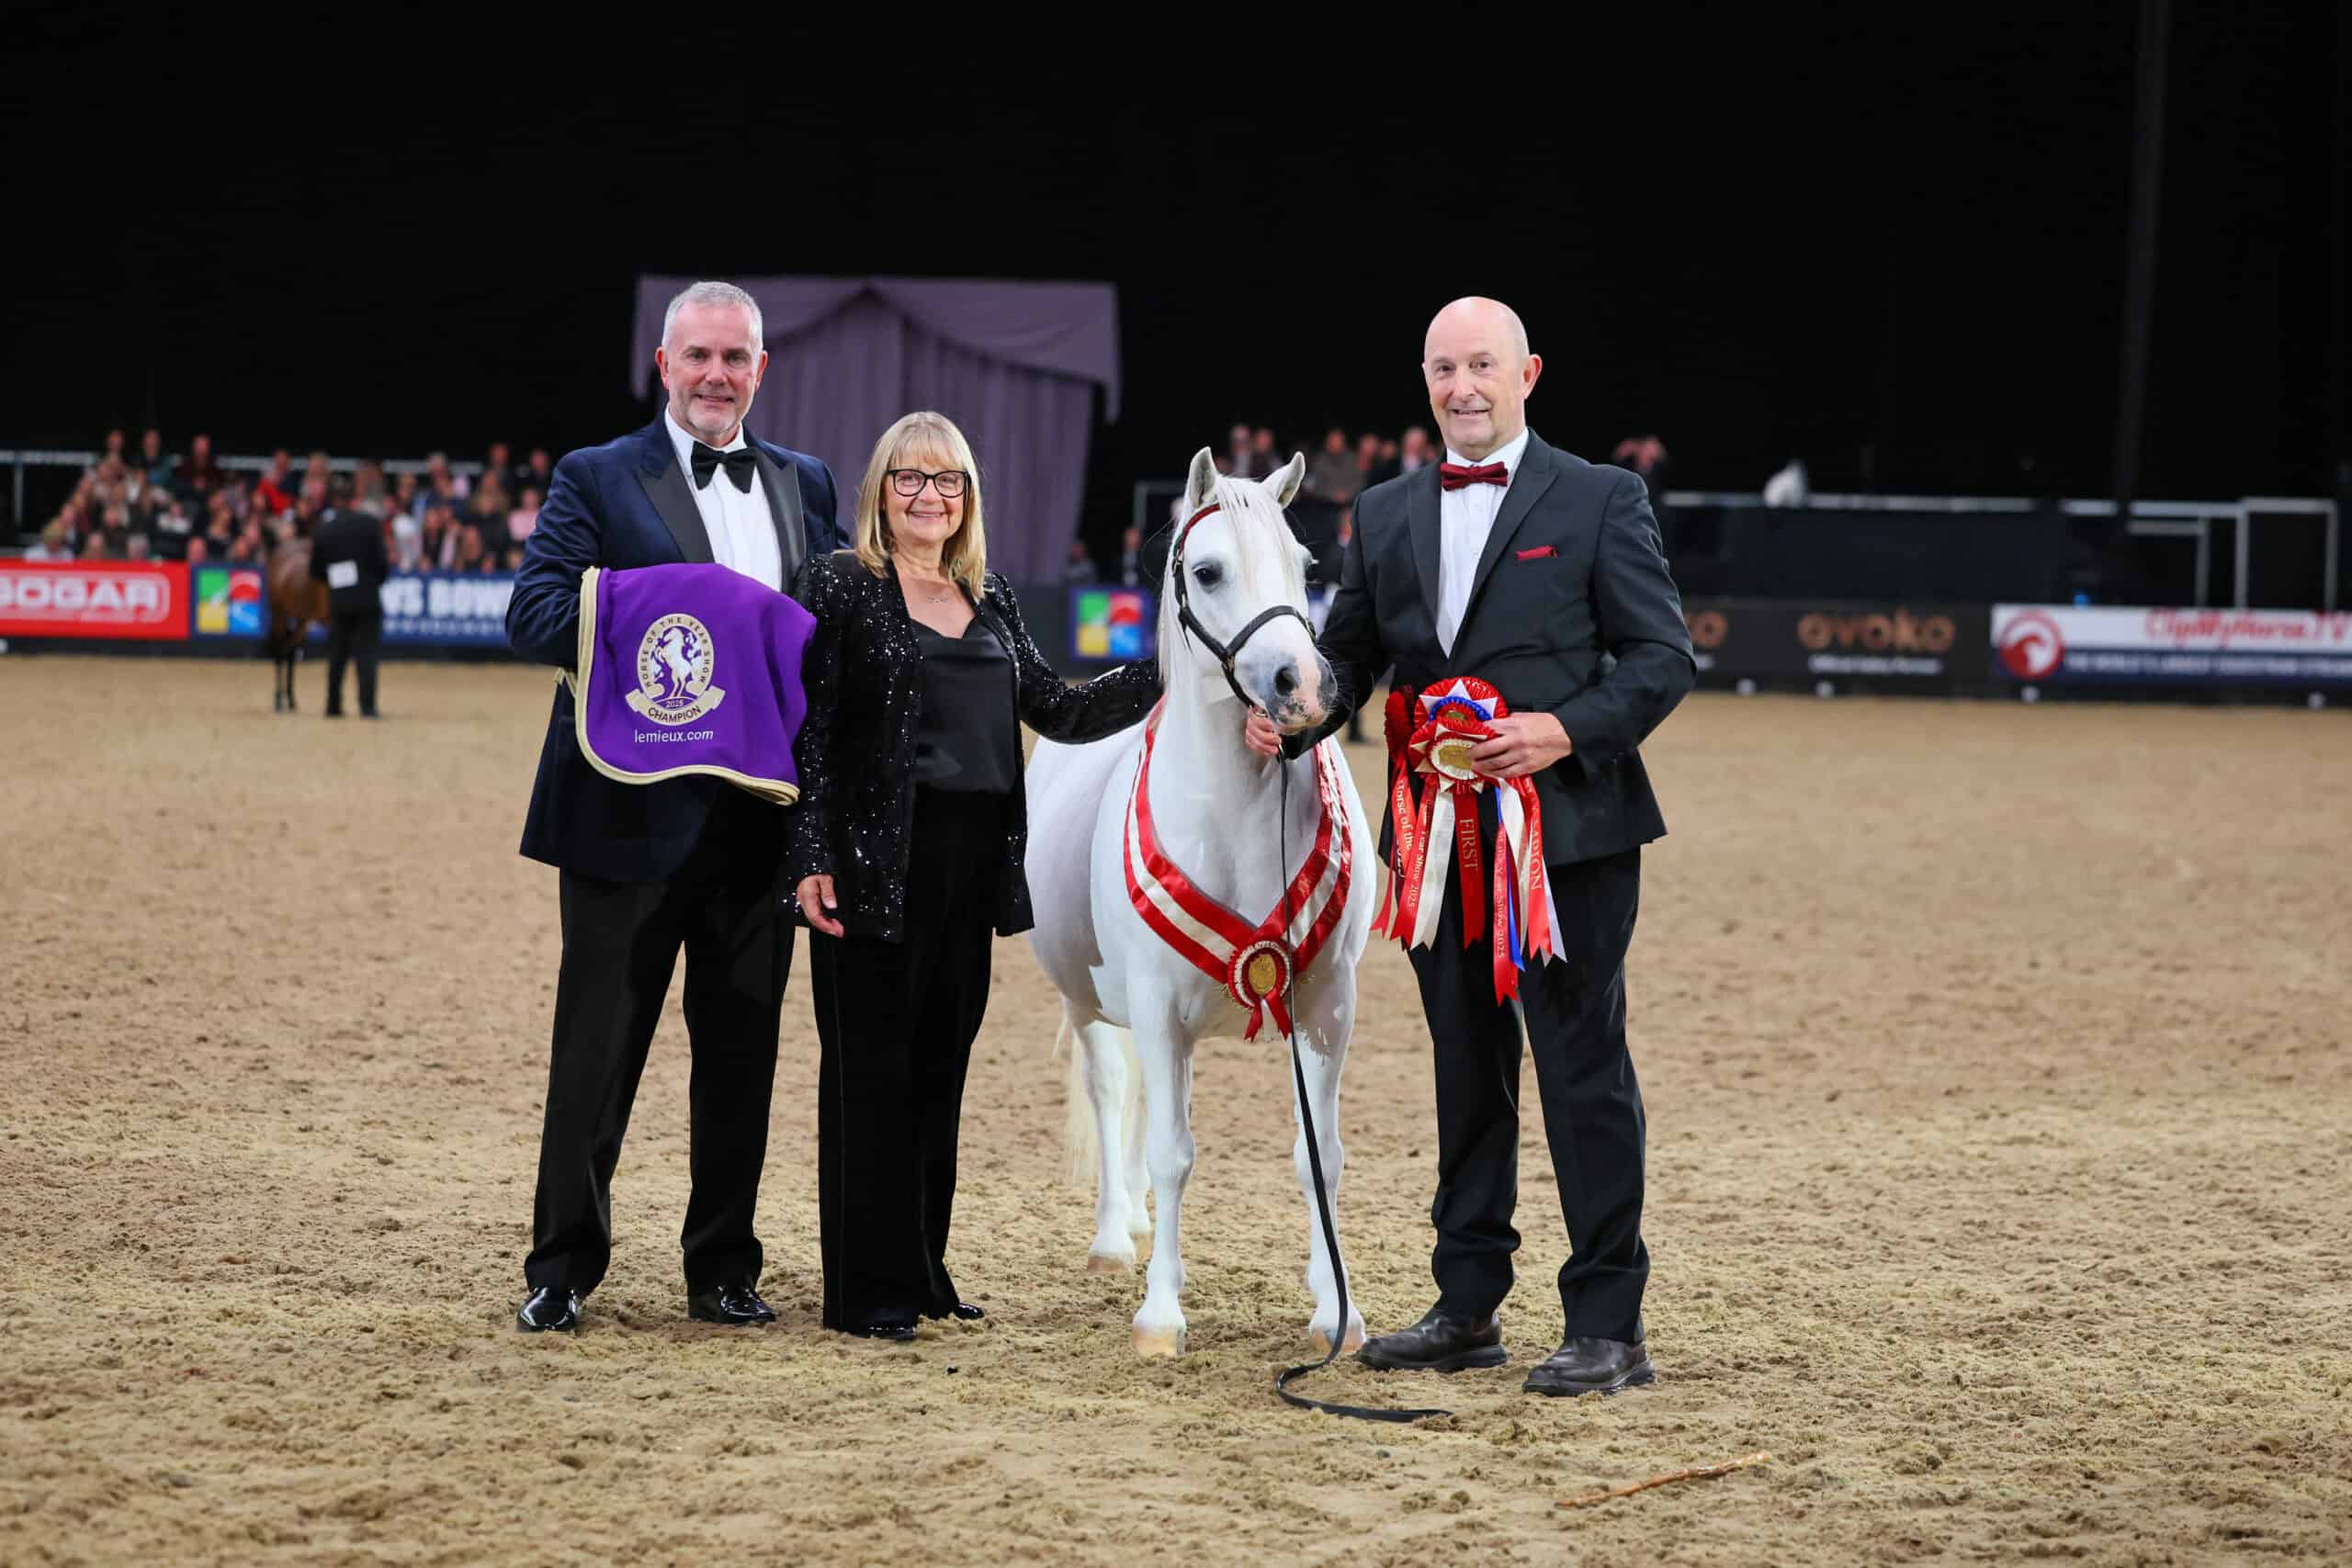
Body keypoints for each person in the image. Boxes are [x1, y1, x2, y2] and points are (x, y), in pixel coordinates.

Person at [1254, 297, 1693, 1397]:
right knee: (1465, 1069)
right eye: (1444, 368)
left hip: (1569, 838)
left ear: (1526, 374)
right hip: (1433, 840)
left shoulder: (1601, 497)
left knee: (1583, 1072)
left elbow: (1661, 657)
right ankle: (1465, 1307)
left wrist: (1562, 731)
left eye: (1482, 365)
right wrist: (1299, 714)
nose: (1463, 386)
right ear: (1425, 380)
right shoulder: (1384, 510)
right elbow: (1352, 656)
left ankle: (1608, 1325)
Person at [503, 279, 840, 1335]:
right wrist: (697, 607)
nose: (715, 375)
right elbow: (535, 614)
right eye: (697, 355)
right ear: (663, 365)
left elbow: (824, 641)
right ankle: (561, 1269)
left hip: (758, 823)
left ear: (761, 370)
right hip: (623, 820)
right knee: (595, 1055)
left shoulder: (806, 482)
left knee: (741, 1059)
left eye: (735, 358)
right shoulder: (595, 475)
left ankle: (723, 1269)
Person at [789, 411, 1160, 1341]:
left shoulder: (988, 593)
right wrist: (808, 856)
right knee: (870, 1076)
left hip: (972, 867)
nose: (930, 496)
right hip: (875, 866)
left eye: (948, 479)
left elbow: (1057, 708)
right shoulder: (840, 583)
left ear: (968, 496)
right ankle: (865, 1293)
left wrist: (1172, 670)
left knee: (937, 1071)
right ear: (880, 491)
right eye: (910, 478)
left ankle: (922, 1273)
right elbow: (810, 732)